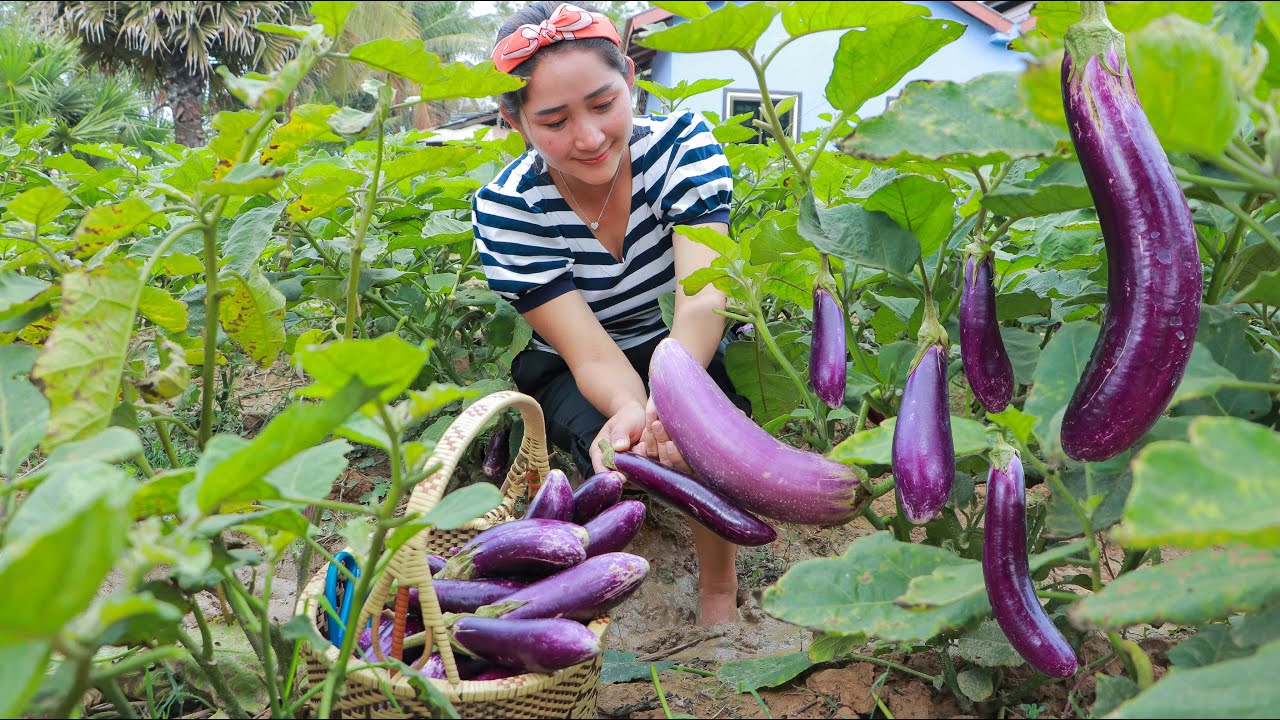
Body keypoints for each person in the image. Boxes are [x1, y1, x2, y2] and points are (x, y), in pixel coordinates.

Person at [471, 1, 752, 625]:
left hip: (679, 332)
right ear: (515, 120)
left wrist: (672, 405)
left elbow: (703, 296)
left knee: (708, 432)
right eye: (554, 121)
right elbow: (589, 351)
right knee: (618, 449)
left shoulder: (683, 146)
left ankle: (717, 592)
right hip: (580, 361)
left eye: (604, 104)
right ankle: (595, 576)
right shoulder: (507, 208)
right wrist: (634, 412)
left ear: (629, 76)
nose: (590, 137)